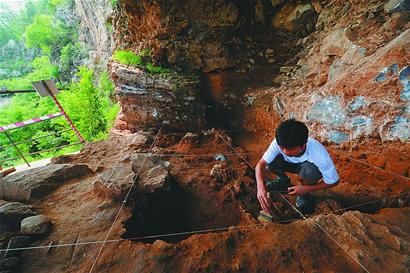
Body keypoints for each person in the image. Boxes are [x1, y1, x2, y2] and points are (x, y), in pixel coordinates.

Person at [255, 119, 339, 215]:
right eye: (282, 148)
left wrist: (306, 189)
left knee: (309, 171)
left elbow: (334, 181)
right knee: (270, 162)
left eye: (291, 149)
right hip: (288, 164)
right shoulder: (280, 142)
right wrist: (260, 188)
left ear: (304, 145)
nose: (285, 151)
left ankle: (304, 195)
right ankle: (283, 180)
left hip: (307, 168)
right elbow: (260, 165)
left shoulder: (318, 154)